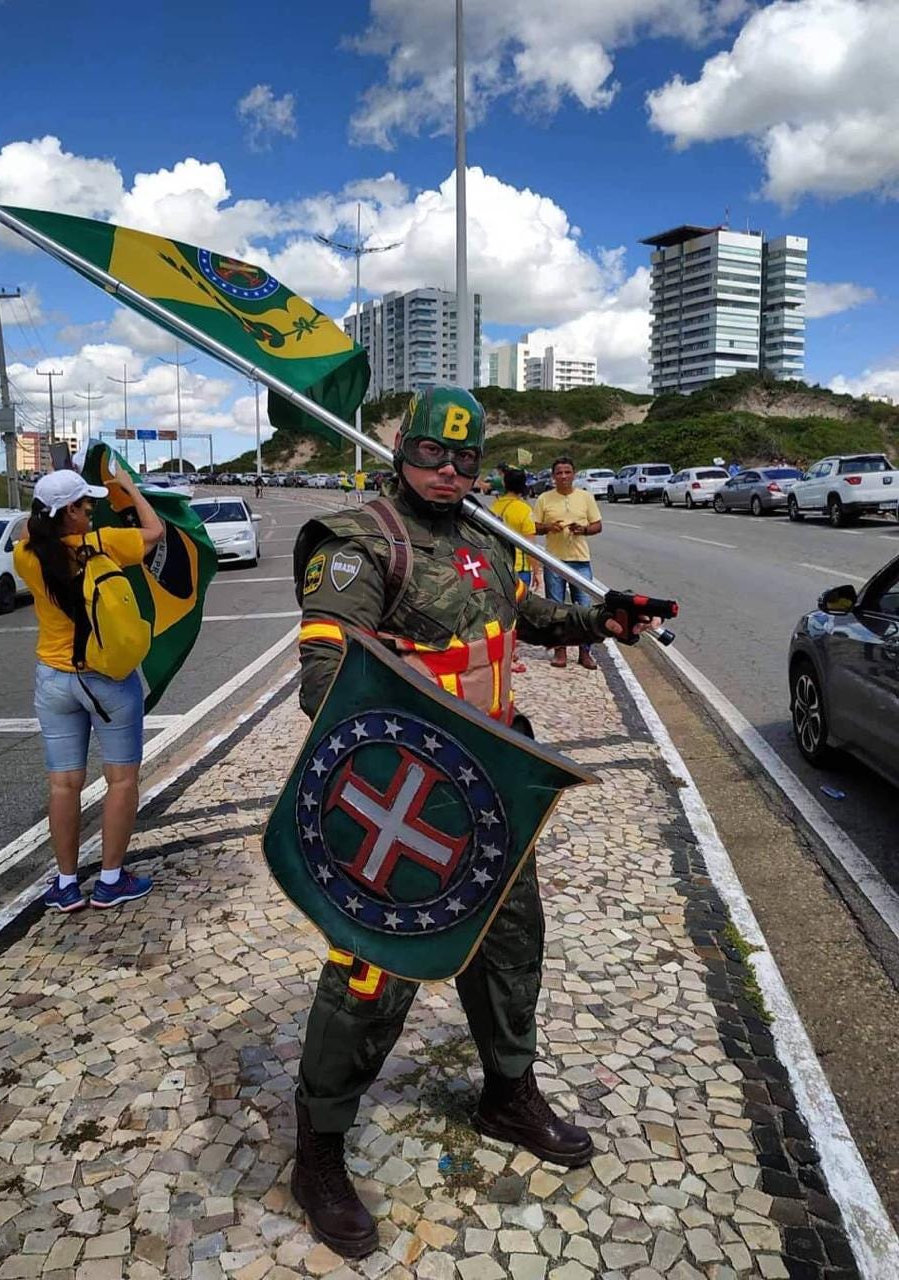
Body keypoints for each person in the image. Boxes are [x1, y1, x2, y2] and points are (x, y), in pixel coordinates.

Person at [290, 386, 651, 1258]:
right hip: (407, 813)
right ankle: (320, 1147)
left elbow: (523, 620)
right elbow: (322, 686)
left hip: (494, 799)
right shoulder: (359, 543)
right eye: (434, 454)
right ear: (402, 450)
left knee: (511, 945)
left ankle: (508, 1089)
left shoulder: (487, 536)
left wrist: (600, 618)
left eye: (467, 459)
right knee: (375, 974)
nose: (450, 472)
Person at [14, 468, 163, 912]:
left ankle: (65, 884)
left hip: (55, 680)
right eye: (86, 505)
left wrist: (50, 509)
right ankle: (111, 880)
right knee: (121, 779)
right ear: (70, 512)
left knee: (64, 785)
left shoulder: (26, 555)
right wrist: (130, 488)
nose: (93, 511)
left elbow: (32, 527)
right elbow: (155, 531)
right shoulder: (105, 544)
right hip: (107, 679)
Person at [532, 457, 603, 671]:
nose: (563, 476)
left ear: (574, 474)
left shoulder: (586, 497)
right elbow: (534, 526)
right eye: (559, 473)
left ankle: (585, 652)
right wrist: (548, 527)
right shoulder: (544, 498)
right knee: (556, 607)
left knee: (584, 608)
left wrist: (584, 529)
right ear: (553, 476)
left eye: (567, 472)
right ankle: (560, 651)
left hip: (580, 561)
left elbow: (597, 525)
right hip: (554, 561)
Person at [491, 467, 542, 673]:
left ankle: (501, 652)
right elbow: (530, 547)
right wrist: (537, 572)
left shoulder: (495, 506)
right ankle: (510, 655)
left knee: (499, 613)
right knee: (515, 614)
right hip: (519, 568)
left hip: (499, 566)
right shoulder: (523, 510)